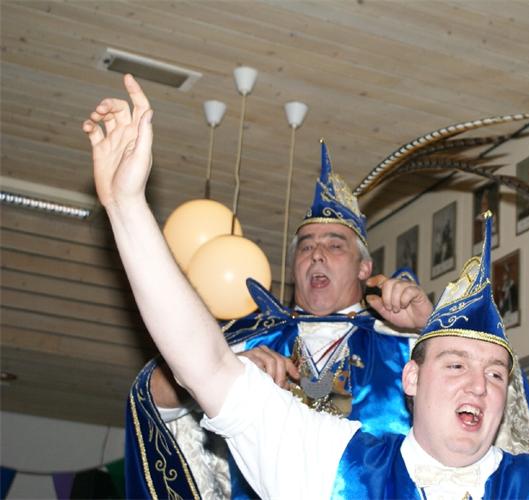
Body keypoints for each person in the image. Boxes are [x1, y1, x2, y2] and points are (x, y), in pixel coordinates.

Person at [85, 75, 529, 500]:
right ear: (414, 378)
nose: (478, 385)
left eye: (494, 374)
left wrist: (432, 329)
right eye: (455, 365)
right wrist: (126, 206)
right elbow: (198, 361)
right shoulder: (333, 467)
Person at [122, 117, 436, 496]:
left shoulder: (407, 344)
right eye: (306, 246)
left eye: (334, 245)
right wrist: (226, 369)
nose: (316, 254)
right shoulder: (249, 339)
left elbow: (480, 394)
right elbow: (151, 400)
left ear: (364, 268)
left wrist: (430, 327)